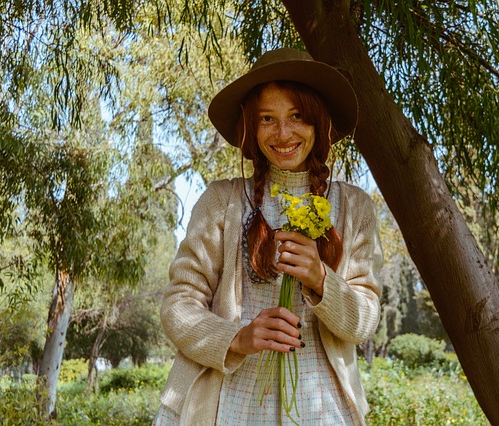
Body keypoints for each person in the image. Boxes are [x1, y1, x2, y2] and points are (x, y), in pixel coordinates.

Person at [154, 48, 383, 425]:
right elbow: (178, 305)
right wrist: (237, 338)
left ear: (318, 122)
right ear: (250, 127)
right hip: (226, 406)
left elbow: (364, 321)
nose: (283, 133)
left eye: (296, 116)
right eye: (267, 119)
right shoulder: (221, 202)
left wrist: (321, 279)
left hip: (321, 409)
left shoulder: (353, 207)